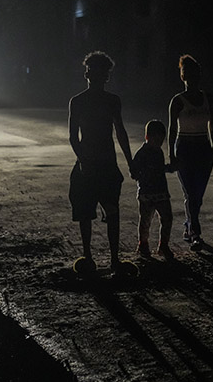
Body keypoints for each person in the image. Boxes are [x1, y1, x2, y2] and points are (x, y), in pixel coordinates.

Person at [68, 51, 135, 273]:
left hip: (94, 164)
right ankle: (111, 260)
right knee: (109, 212)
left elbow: (74, 137)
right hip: (102, 163)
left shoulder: (80, 101)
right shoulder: (107, 101)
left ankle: (90, 258)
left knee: (88, 214)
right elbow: (121, 133)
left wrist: (82, 159)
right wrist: (129, 162)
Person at [168, 54, 213, 251]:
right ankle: (195, 232)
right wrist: (171, 154)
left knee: (198, 192)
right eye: (187, 75)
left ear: (199, 76)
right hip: (185, 148)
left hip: (203, 147)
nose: (191, 79)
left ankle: (189, 226)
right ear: (182, 77)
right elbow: (172, 129)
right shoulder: (177, 101)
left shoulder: (208, 98)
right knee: (190, 192)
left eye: (194, 74)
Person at [131, 119, 176, 260]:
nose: (159, 142)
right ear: (147, 137)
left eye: (161, 139)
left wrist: (167, 168)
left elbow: (158, 169)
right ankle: (143, 244)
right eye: (156, 139)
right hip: (147, 193)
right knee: (145, 220)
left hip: (160, 191)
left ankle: (163, 245)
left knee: (167, 218)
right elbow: (134, 172)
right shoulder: (142, 153)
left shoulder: (158, 152)